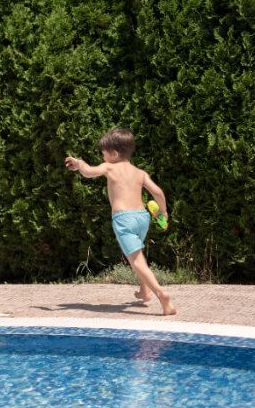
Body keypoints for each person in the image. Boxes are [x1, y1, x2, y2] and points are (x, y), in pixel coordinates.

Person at [65, 128, 177, 316]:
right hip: (142, 218)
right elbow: (158, 192)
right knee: (137, 253)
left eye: (103, 153)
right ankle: (144, 291)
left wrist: (80, 164)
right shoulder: (140, 172)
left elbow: (90, 172)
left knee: (136, 260)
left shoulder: (109, 167)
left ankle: (162, 295)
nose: (102, 156)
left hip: (123, 219)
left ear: (114, 154)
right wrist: (162, 212)